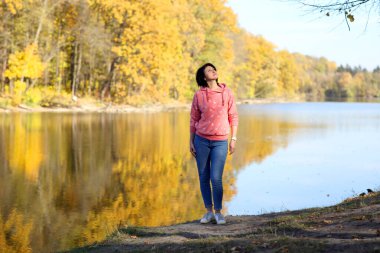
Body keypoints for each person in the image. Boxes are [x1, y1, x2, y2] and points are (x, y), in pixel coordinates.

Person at [190, 63, 239, 225]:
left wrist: (233, 139)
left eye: (214, 69)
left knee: (216, 178)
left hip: (220, 141)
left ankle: (218, 212)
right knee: (204, 177)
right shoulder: (199, 95)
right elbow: (193, 119)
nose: (213, 71)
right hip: (201, 140)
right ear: (204, 77)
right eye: (209, 70)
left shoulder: (227, 92)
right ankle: (208, 212)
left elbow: (233, 116)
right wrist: (191, 141)